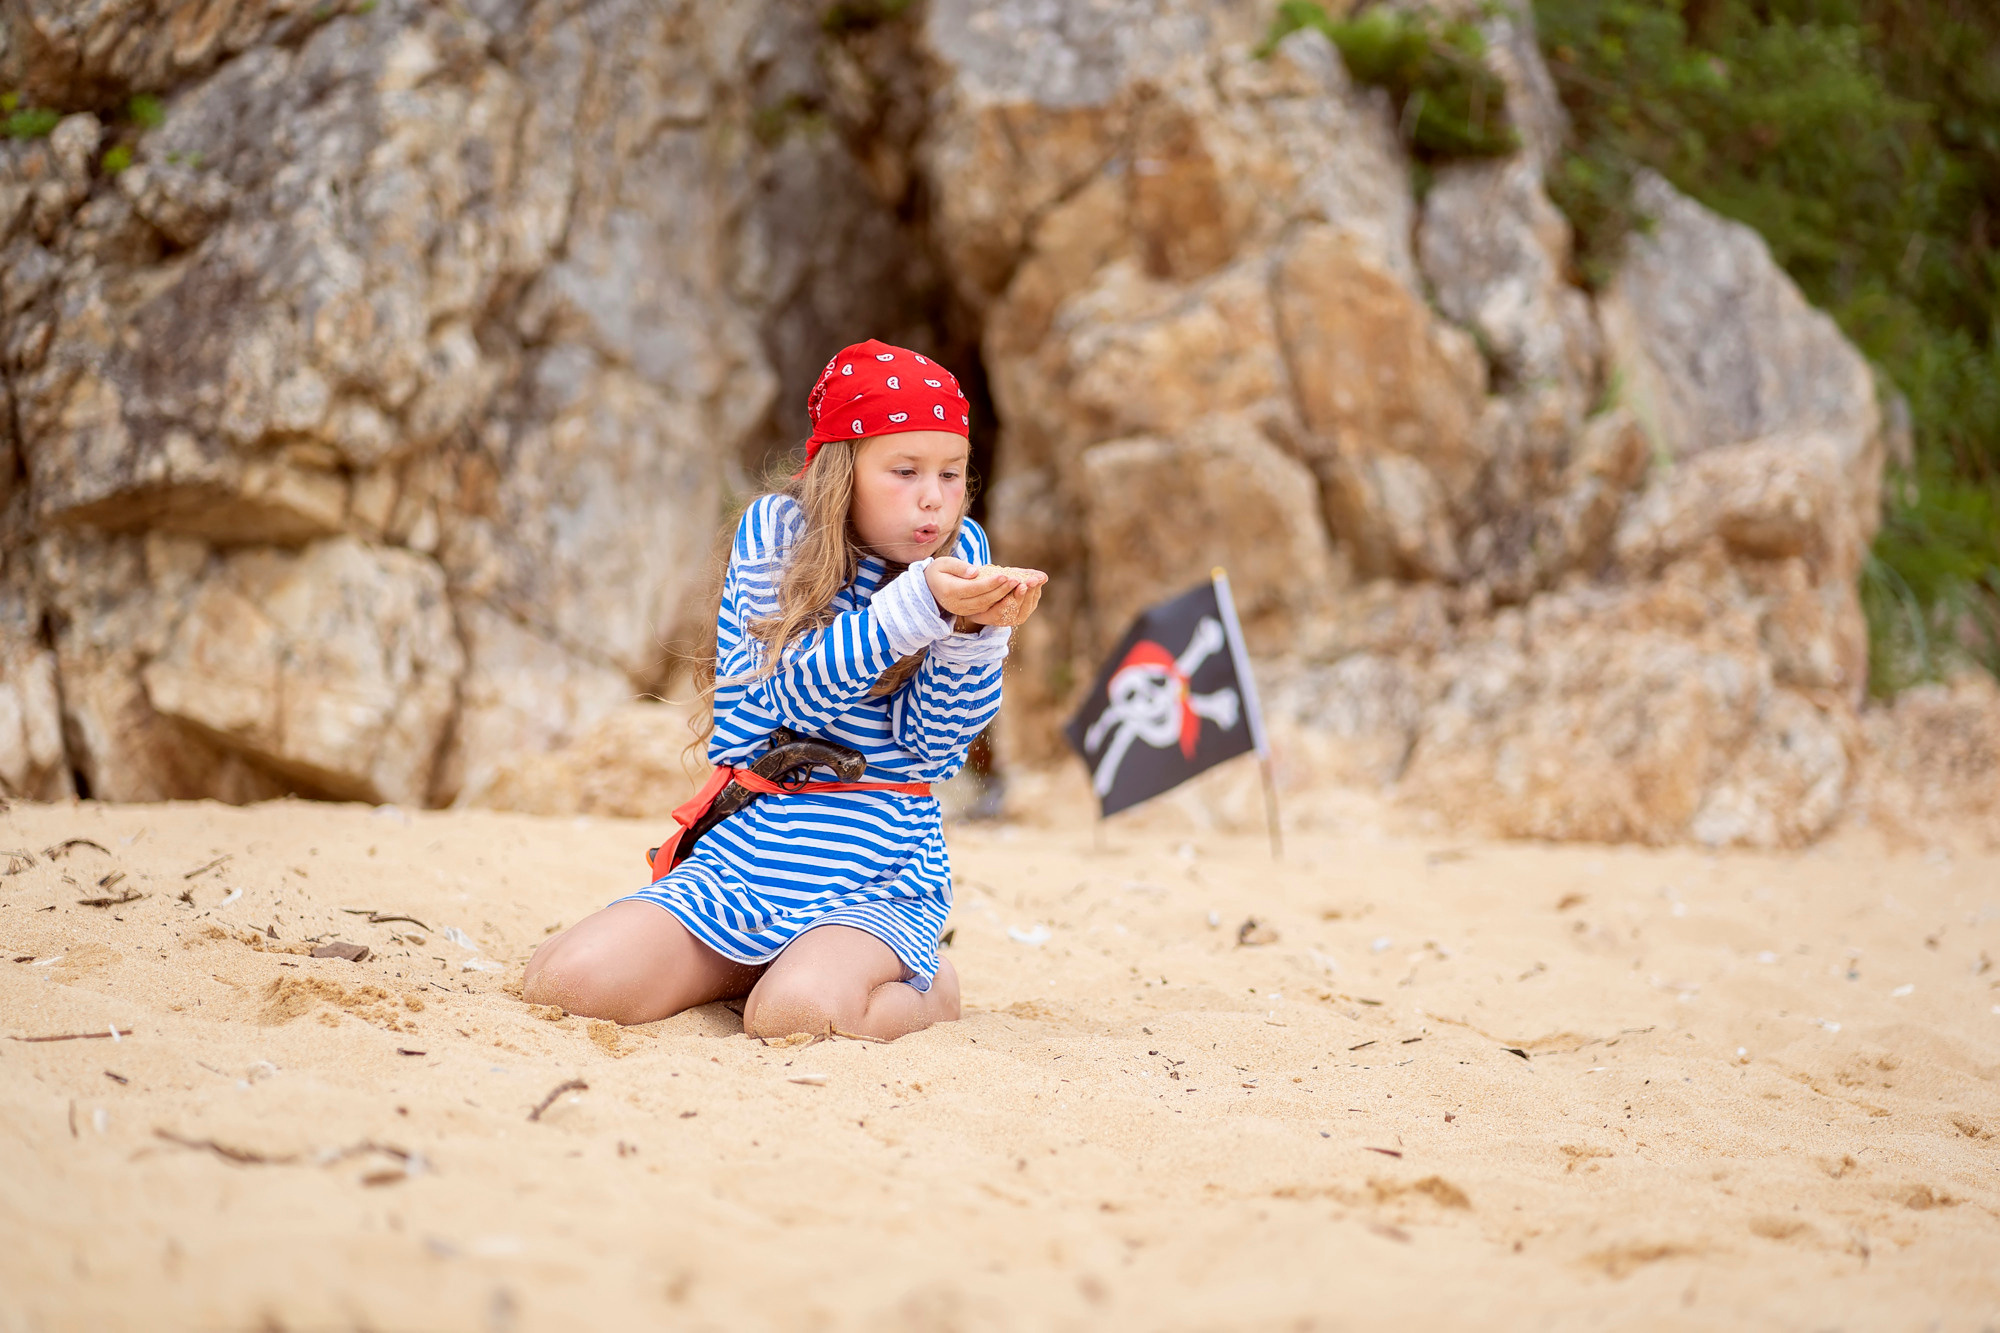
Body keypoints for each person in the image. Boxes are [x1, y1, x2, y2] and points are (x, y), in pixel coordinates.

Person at [523, 339, 1044, 1041]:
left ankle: (929, 986)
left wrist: (977, 636)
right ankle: (753, 963)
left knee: (793, 1016)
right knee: (564, 980)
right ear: (843, 471)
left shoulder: (961, 555)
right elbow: (788, 700)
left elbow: (935, 747)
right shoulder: (776, 533)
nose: (934, 499)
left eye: (952, 474)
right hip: (750, 856)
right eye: (905, 470)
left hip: (877, 871)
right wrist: (916, 607)